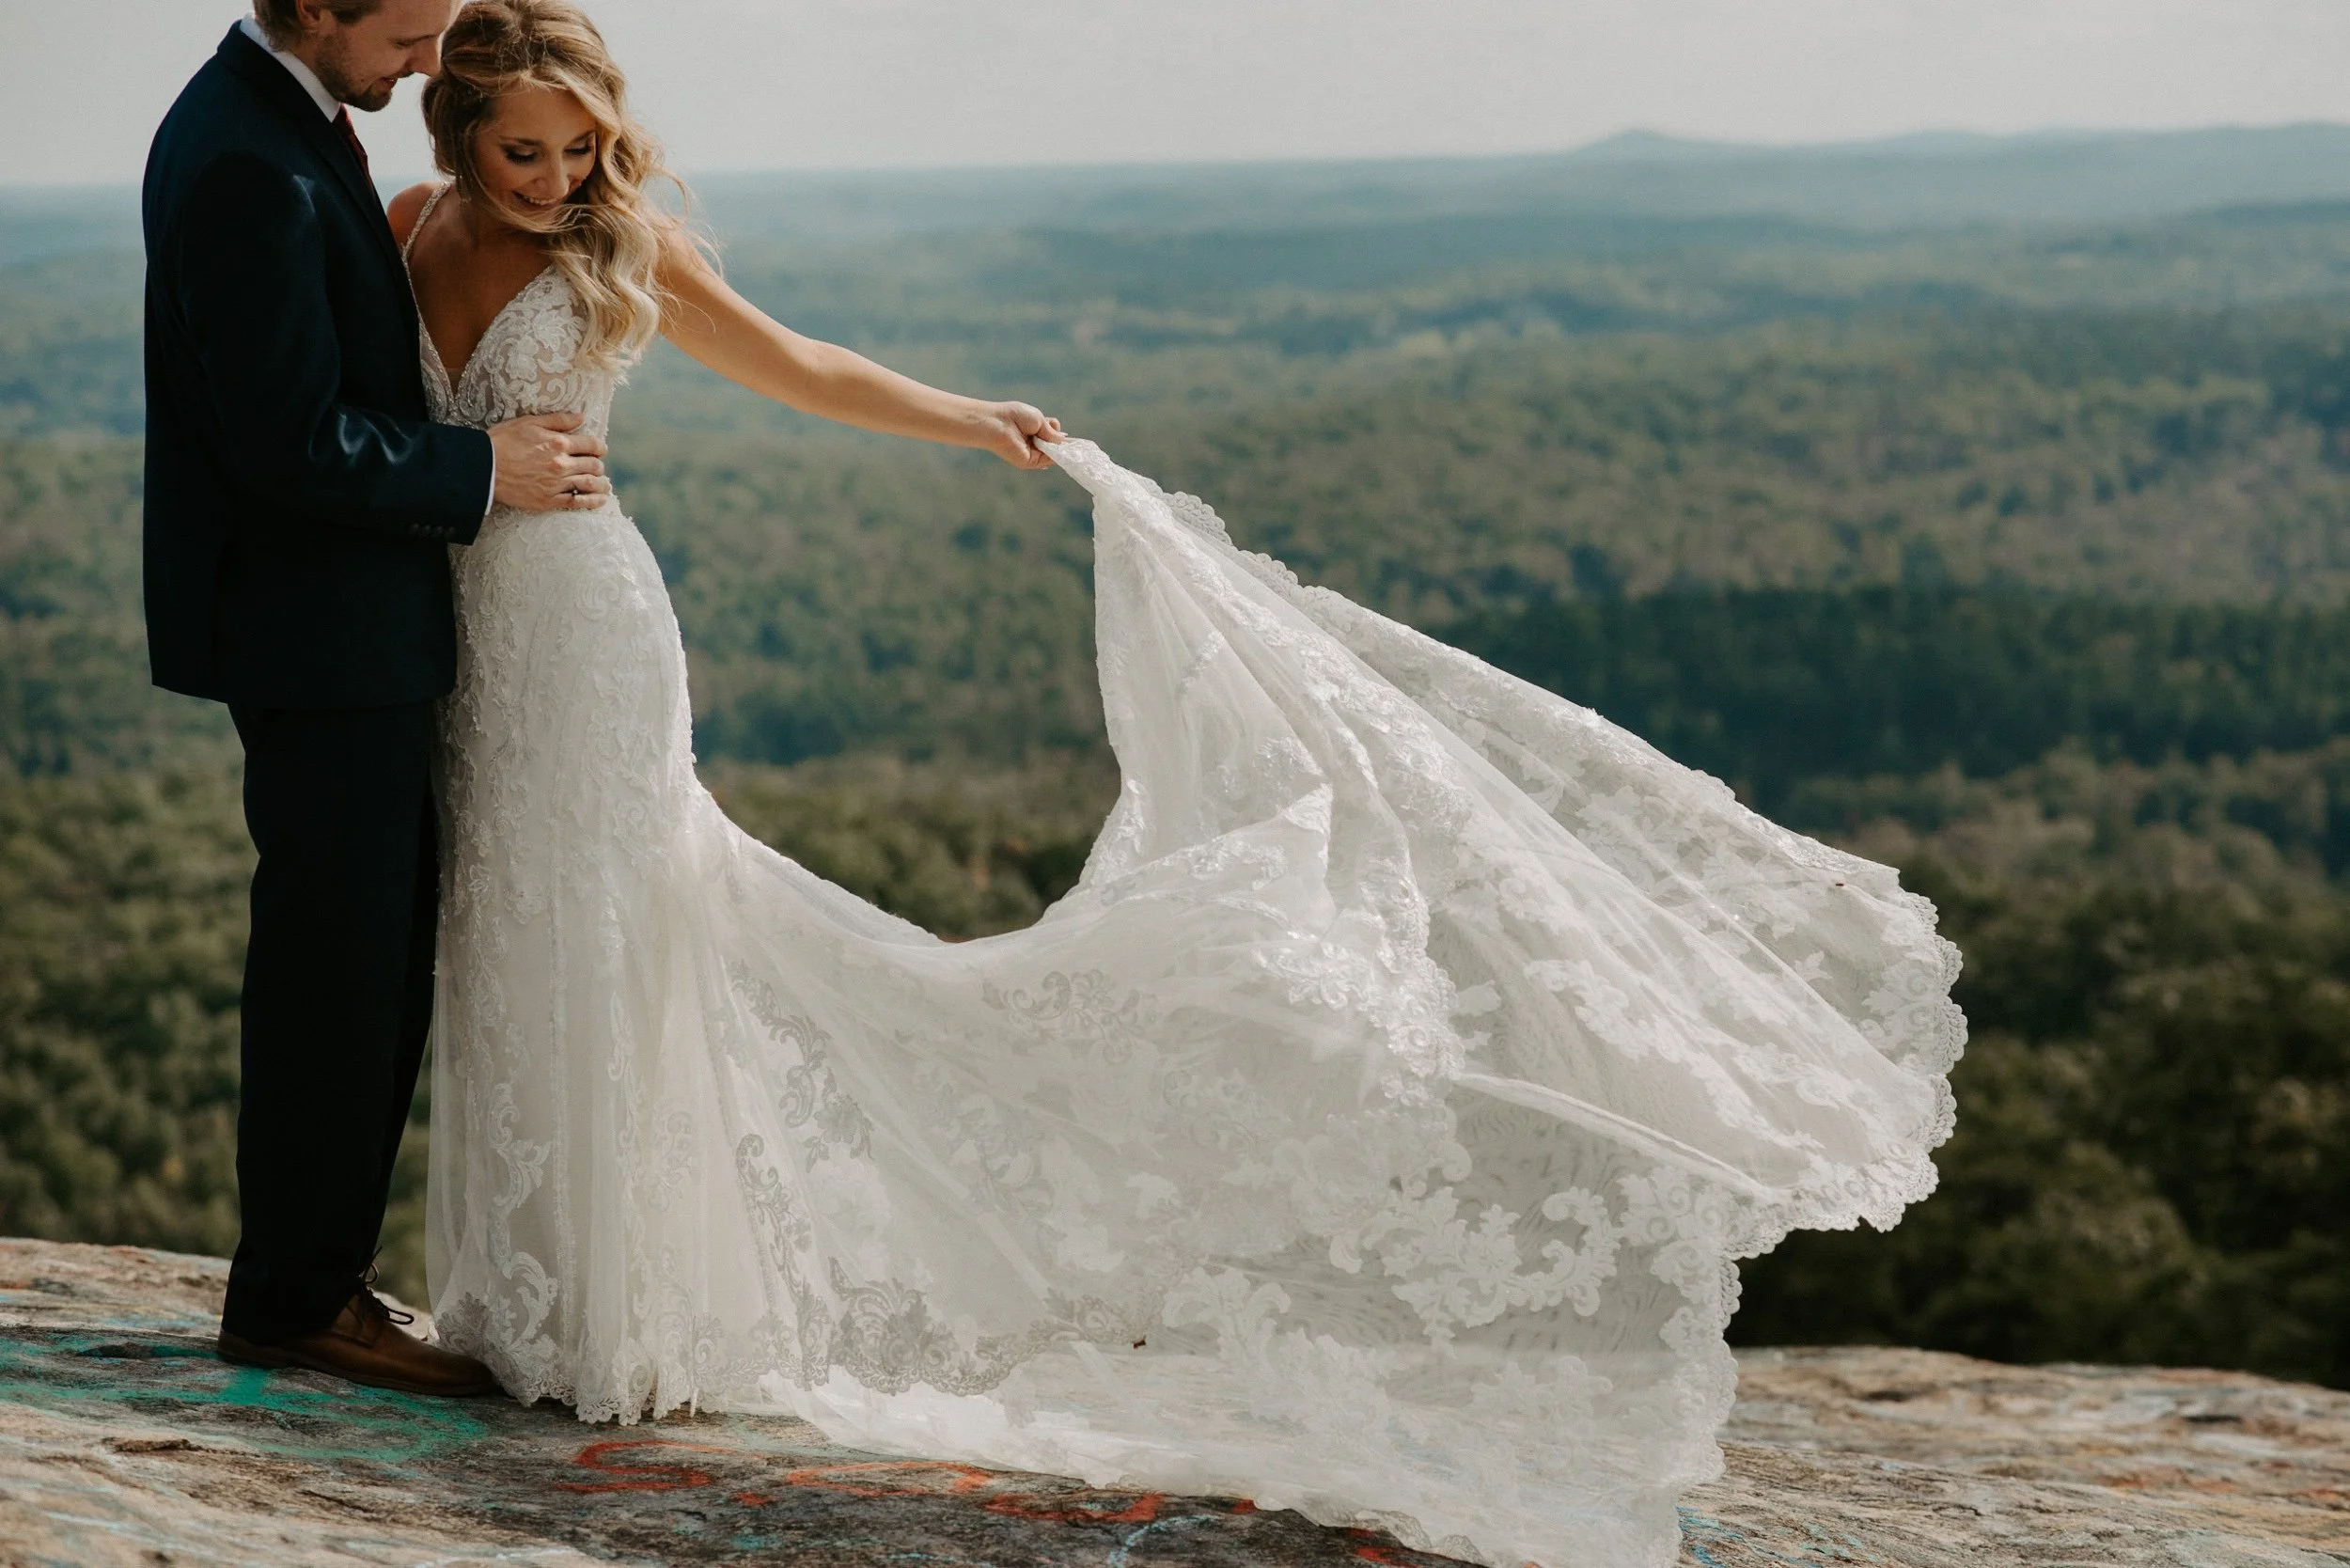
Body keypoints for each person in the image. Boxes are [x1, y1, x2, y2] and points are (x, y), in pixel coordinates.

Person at [394, 5, 1964, 1564]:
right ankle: (518, 1292)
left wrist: (969, 418)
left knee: (612, 931)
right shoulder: (403, 224)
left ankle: (615, 1314)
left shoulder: (628, 246)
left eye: (580, 149)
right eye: (523, 151)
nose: (554, 179)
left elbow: (800, 365)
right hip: (459, 627)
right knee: (503, 936)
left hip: (587, 629)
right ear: (458, 134)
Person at [141, 0, 627, 1397]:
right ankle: (297, 1300)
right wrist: (483, 469)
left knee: (365, 960)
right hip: (318, 635)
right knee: (337, 977)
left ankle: (312, 1281)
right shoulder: (247, 155)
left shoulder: (273, 119)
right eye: (407, 37)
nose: (426, 66)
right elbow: (288, 439)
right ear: (315, 5)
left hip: (344, 629)